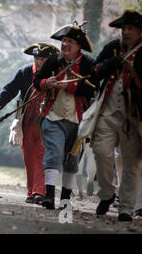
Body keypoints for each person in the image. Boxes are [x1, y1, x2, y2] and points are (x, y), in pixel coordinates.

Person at [33, 25, 97, 210]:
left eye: (69, 42)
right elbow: (38, 82)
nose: (64, 44)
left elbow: (92, 87)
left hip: (79, 120)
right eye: (63, 41)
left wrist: (66, 86)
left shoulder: (88, 64)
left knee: (71, 160)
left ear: (79, 46)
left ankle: (65, 200)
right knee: (54, 153)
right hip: (53, 116)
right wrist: (47, 83)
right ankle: (49, 195)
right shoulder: (53, 61)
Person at [0, 42, 60, 203]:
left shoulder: (57, 74)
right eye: (37, 58)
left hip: (48, 121)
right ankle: (30, 192)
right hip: (26, 121)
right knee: (29, 157)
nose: (39, 62)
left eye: (43, 59)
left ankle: (39, 192)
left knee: (42, 155)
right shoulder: (25, 72)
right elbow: (9, 90)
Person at [88, 10, 141, 221]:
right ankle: (107, 194)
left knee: (131, 164)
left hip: (133, 117)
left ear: (139, 31)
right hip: (107, 113)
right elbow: (94, 71)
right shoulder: (112, 48)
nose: (126, 32)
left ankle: (126, 208)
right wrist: (110, 65)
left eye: (130, 29)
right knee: (101, 153)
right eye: (123, 29)